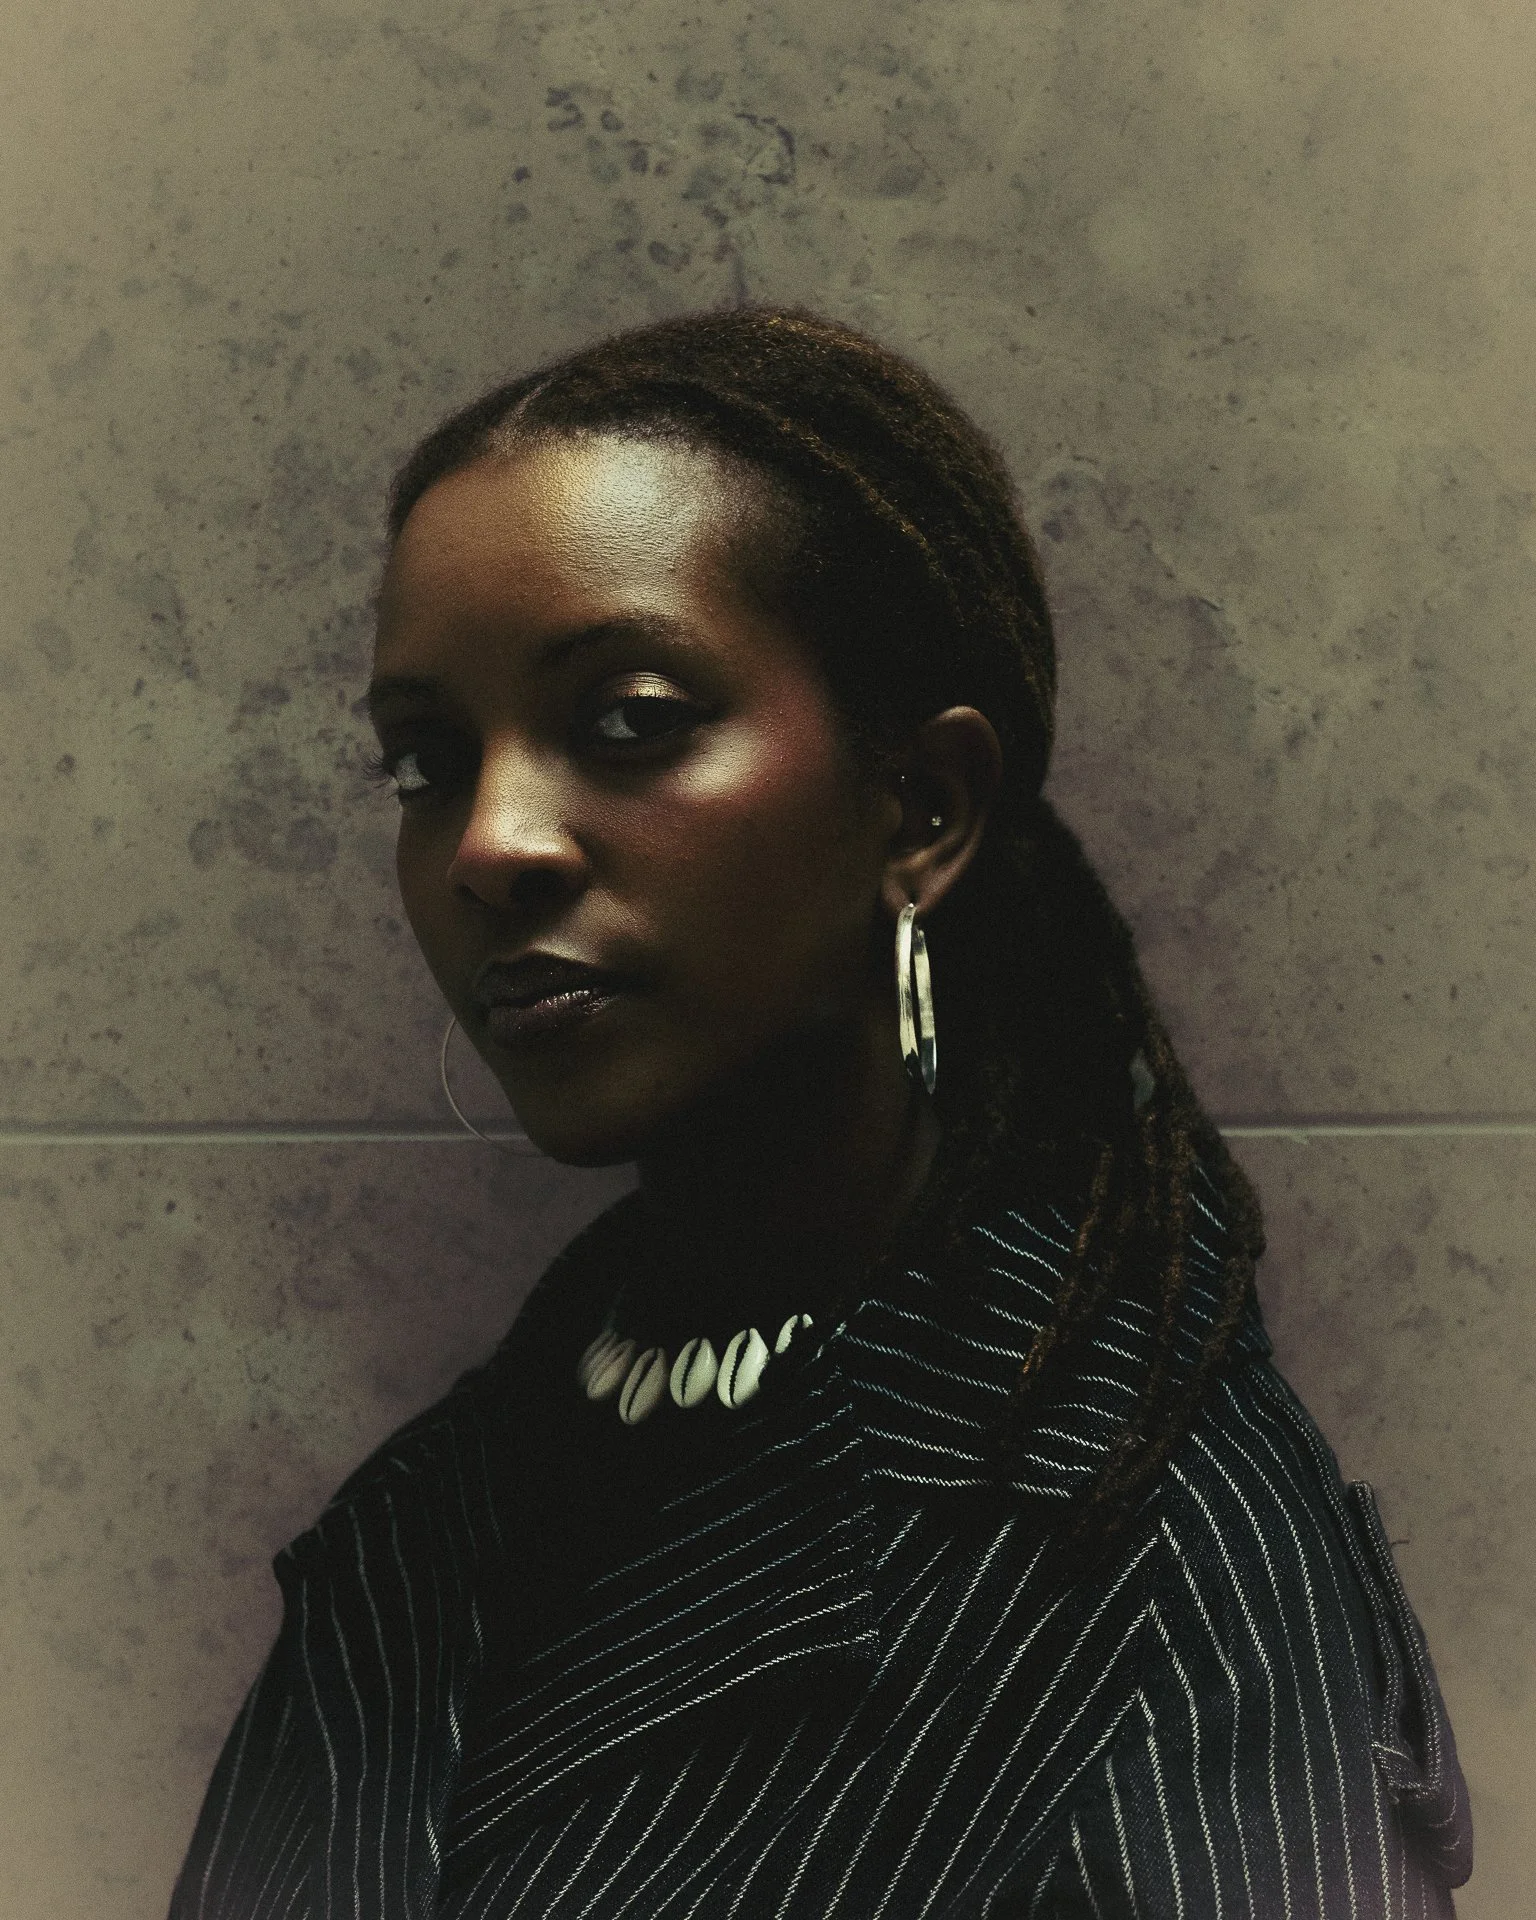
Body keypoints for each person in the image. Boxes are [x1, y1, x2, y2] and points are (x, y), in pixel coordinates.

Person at [170, 307, 1471, 1919]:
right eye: (427, 759)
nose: (489, 843)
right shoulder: (456, 1496)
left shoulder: (1145, 1583)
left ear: (919, 809)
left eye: (629, 720)